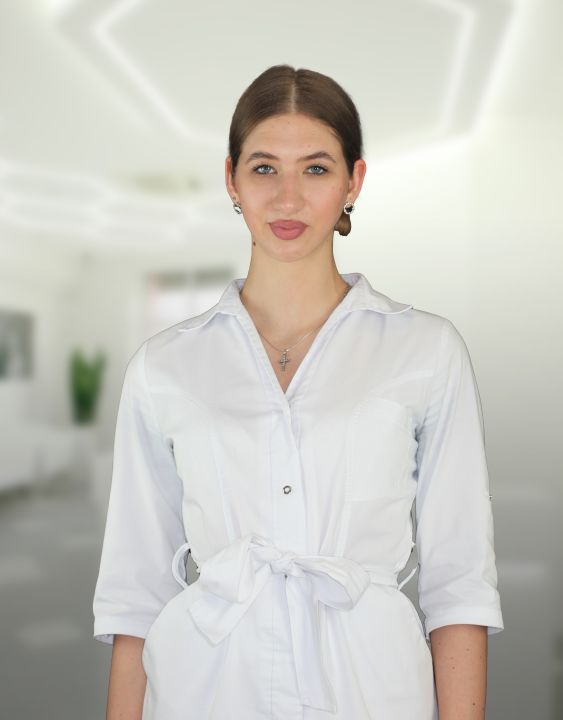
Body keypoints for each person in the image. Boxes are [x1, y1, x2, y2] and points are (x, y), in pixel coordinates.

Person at [93, 64, 504, 720]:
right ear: (231, 179)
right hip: (206, 691)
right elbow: (135, 594)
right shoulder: (164, 366)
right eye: (264, 168)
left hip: (373, 692)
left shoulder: (425, 350)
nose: (287, 198)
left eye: (315, 168)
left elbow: (459, 586)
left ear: (353, 181)